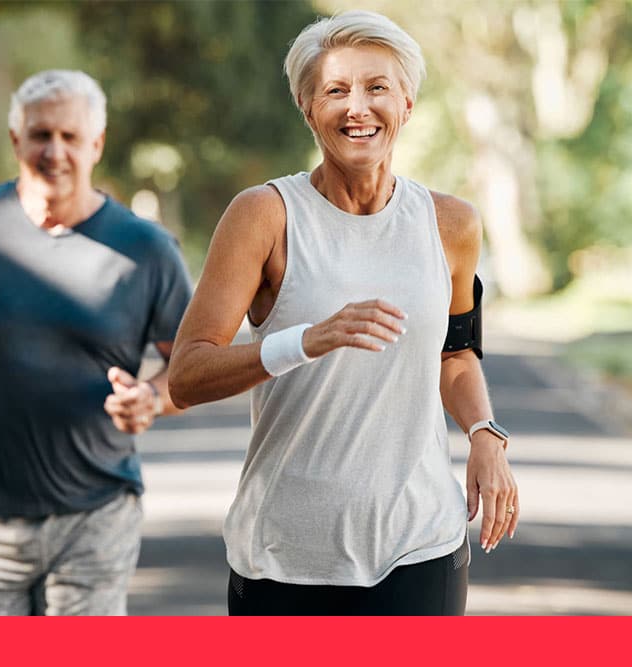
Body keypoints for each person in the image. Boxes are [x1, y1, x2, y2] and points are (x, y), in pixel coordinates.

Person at [167, 11, 518, 615]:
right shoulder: (265, 215)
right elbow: (186, 376)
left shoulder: (451, 224)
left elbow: (456, 353)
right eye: (336, 90)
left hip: (421, 546)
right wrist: (305, 341)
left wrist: (485, 434)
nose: (358, 107)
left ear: (406, 103)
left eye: (377, 87)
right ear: (308, 108)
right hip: (285, 553)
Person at [0, 69, 192, 615]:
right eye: (41, 135)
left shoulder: (147, 249)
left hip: (96, 515)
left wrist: (152, 398)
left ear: (96, 144)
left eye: (70, 137)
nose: (55, 151)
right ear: (15, 140)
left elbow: (192, 363)